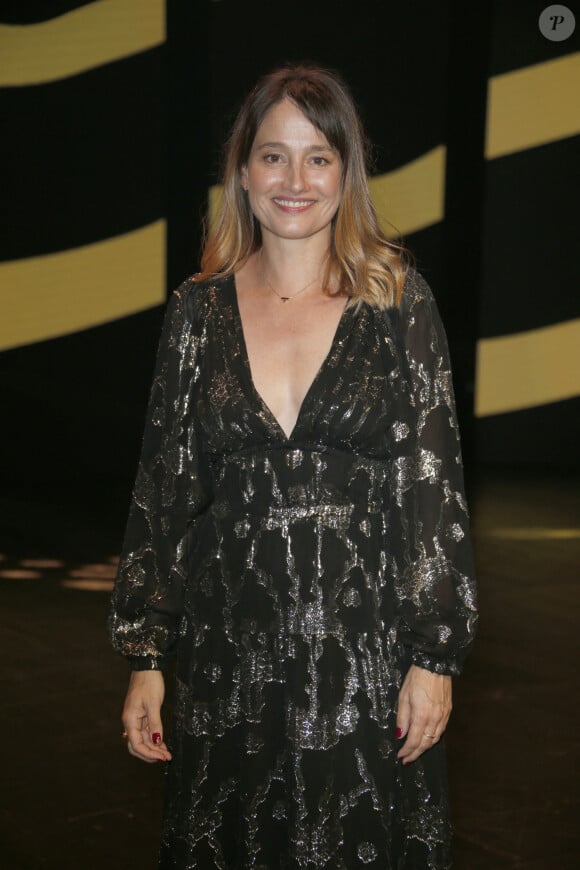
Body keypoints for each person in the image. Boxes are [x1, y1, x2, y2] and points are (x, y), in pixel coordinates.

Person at [109, 63, 477, 869]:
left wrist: (434, 657)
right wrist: (146, 658)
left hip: (366, 657)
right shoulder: (195, 315)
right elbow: (164, 490)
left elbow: (434, 489)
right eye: (273, 155)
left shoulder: (395, 300)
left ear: (347, 172)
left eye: (318, 156)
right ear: (243, 172)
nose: (295, 179)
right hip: (225, 658)